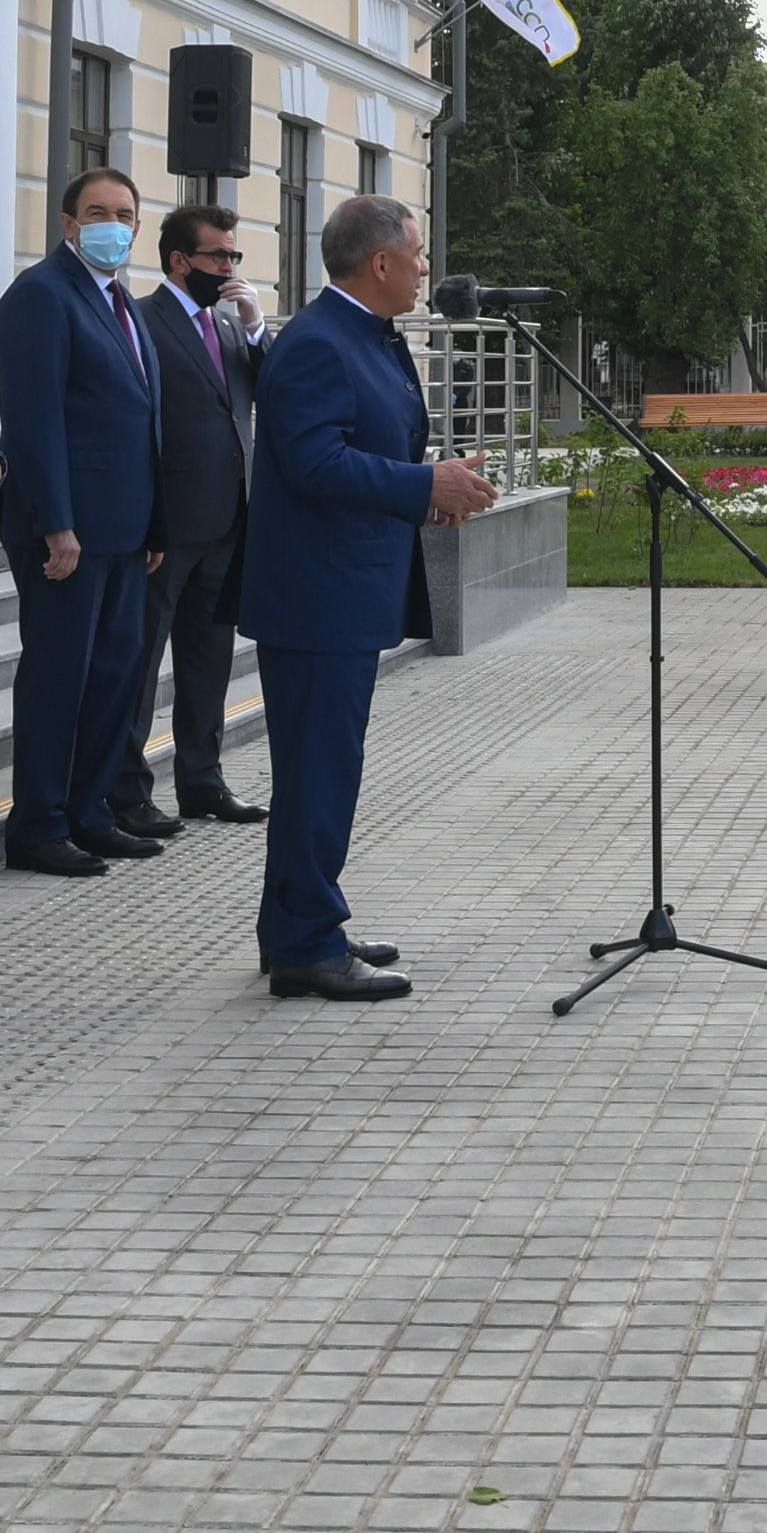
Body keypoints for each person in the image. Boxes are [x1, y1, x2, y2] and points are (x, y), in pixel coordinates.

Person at [242, 194, 494, 998]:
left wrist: (435, 486)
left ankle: (298, 924)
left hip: (346, 587)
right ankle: (305, 946)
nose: (427, 268)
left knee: (325, 770)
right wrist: (424, 484)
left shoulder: (367, 336)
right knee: (318, 772)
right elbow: (314, 462)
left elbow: (373, 446)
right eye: (417, 254)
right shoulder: (318, 342)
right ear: (379, 262)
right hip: (317, 595)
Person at [0, 166, 164, 878]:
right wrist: (57, 523)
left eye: (124, 212)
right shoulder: (40, 296)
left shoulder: (119, 300)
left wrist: (154, 524)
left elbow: (141, 422)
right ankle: (37, 823)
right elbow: (34, 424)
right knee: (60, 678)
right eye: (97, 211)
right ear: (67, 223)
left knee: (113, 676)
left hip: (124, 531)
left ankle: (89, 812)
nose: (112, 224)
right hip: (66, 535)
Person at [116, 204, 265, 829]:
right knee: (141, 662)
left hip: (228, 519)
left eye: (234, 256)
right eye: (218, 257)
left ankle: (202, 782)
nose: (229, 267)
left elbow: (267, 392)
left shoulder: (228, 326)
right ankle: (126, 791)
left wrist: (256, 328)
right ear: (180, 261)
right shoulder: (143, 322)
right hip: (169, 523)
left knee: (208, 661)